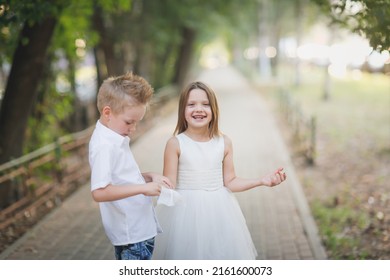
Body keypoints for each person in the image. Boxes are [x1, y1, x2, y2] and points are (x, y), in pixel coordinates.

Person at [153, 81, 287, 260]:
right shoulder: (175, 143)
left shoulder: (224, 142)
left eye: (205, 104)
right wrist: (147, 181)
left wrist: (261, 181)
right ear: (182, 111)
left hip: (219, 212)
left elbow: (230, 181)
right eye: (191, 104)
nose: (199, 109)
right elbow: (168, 185)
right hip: (184, 215)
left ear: (214, 109)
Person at [88, 72, 173, 260]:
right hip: (133, 234)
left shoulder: (114, 137)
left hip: (136, 230)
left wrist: (149, 177)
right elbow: (99, 191)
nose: (133, 129)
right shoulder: (105, 146)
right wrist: (143, 188)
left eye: (137, 122)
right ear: (107, 113)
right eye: (129, 122)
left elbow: (121, 178)